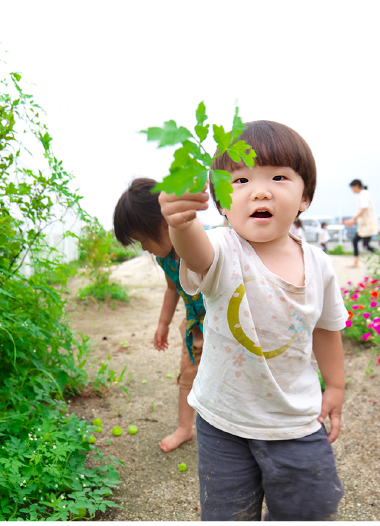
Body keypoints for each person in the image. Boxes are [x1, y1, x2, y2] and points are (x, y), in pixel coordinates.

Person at [159, 120, 348, 521]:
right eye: (240, 180)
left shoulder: (319, 265)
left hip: (295, 421)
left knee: (309, 508)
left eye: (279, 177)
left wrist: (334, 384)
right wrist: (181, 223)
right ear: (223, 202)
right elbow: (195, 254)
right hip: (224, 420)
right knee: (227, 513)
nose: (260, 190)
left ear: (305, 197)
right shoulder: (223, 250)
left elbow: (327, 330)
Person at [113, 178, 206, 453]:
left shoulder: (201, 246)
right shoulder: (165, 259)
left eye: (142, 240)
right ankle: (185, 427)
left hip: (224, 327)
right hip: (195, 328)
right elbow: (171, 288)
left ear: (165, 223)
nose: (143, 248)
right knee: (187, 377)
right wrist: (163, 323)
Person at [342, 179, 378, 268]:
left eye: (352, 188)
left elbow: (363, 209)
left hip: (367, 224)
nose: (352, 190)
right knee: (359, 242)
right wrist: (353, 220)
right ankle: (355, 262)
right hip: (364, 224)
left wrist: (353, 219)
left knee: (364, 244)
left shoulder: (364, 194)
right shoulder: (364, 194)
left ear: (356, 186)